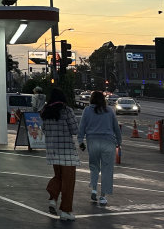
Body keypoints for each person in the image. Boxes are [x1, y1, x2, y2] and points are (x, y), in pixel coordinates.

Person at [77, 90, 122, 207]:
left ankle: (94, 190)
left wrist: (80, 141)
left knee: (94, 167)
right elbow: (116, 128)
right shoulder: (109, 111)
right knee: (107, 169)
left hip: (92, 141)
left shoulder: (87, 110)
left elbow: (82, 127)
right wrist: (119, 142)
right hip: (108, 142)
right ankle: (103, 196)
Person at [40, 88, 79, 221]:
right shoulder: (67, 111)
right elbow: (74, 130)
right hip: (67, 151)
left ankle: (53, 198)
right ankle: (65, 211)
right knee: (69, 181)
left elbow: (44, 129)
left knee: (58, 177)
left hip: (53, 150)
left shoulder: (45, 112)